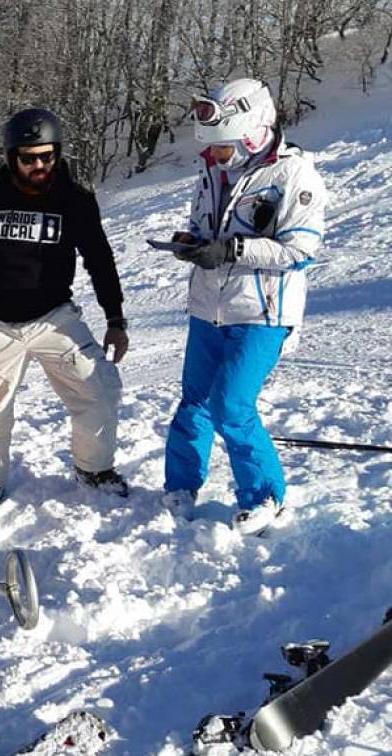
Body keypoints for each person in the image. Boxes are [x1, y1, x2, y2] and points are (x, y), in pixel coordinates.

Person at [0, 108, 129, 503]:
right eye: (29, 158)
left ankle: (94, 470)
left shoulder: (76, 201)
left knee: (100, 389)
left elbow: (100, 260)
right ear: (11, 158)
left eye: (47, 156)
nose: (39, 165)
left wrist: (115, 319)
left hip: (54, 319)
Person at [161, 79, 326, 535]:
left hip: (261, 315)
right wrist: (192, 243)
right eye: (212, 149)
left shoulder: (294, 175)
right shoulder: (211, 171)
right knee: (193, 403)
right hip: (208, 308)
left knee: (231, 405)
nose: (216, 157)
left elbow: (301, 251)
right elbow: (203, 224)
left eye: (225, 149)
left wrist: (233, 252)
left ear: (254, 133)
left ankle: (265, 496)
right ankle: (181, 486)